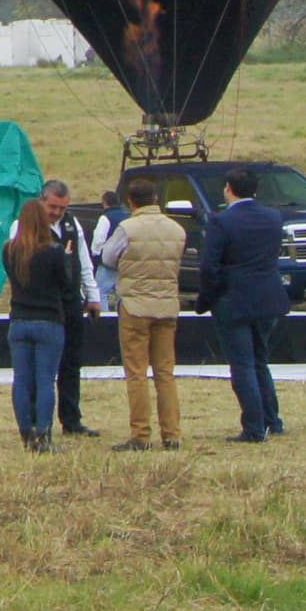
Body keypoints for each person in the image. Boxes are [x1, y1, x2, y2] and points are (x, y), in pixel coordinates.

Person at [205, 167, 294, 444]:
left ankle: (254, 427)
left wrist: (208, 298)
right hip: (268, 297)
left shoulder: (221, 222)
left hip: (234, 299)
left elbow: (210, 267)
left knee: (242, 365)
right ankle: (272, 420)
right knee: (260, 361)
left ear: (229, 188)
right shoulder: (273, 217)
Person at [110, 189, 189, 450]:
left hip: (135, 305)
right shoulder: (176, 229)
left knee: (137, 373)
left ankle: (141, 435)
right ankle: (172, 434)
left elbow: (109, 256)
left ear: (131, 202)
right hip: (167, 305)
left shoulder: (127, 228)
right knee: (165, 373)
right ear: (155, 200)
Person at [1, 193, 79, 451]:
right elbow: (66, 287)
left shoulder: (9, 250)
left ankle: (26, 432)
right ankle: (43, 433)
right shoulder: (54, 251)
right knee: (46, 380)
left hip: (19, 320)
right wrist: (66, 260)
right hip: (48, 321)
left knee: (21, 380)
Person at [41, 179, 97, 437]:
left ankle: (71, 420)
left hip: (71, 301)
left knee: (72, 364)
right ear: (42, 200)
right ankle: (40, 422)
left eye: (62, 208)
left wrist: (92, 294)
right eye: (53, 206)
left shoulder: (71, 223)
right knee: (44, 366)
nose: (57, 213)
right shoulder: (25, 225)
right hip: (44, 304)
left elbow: (83, 260)